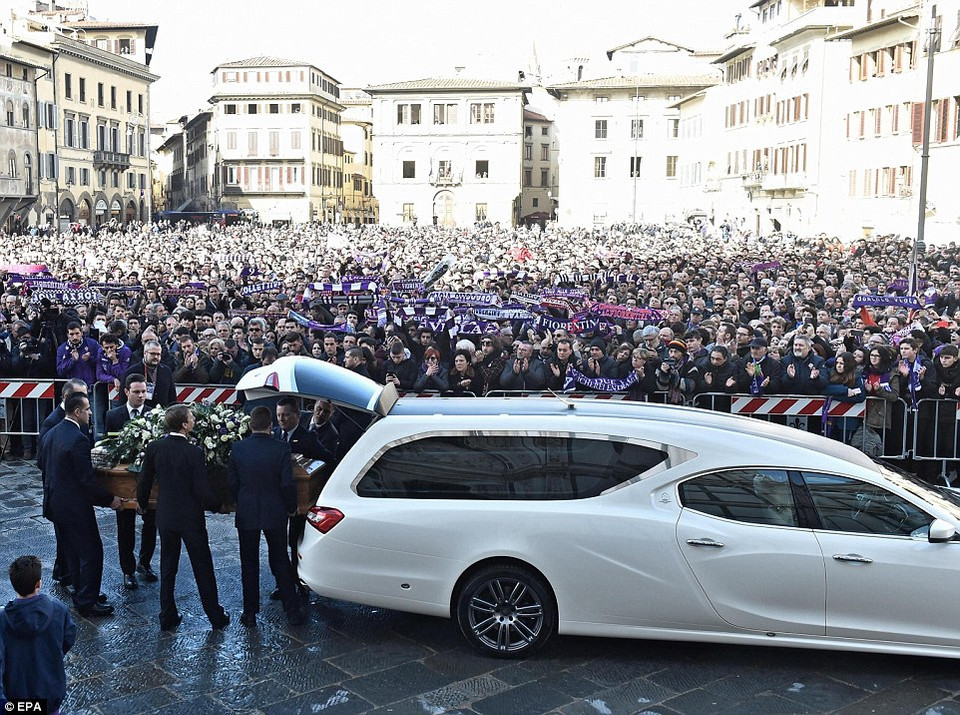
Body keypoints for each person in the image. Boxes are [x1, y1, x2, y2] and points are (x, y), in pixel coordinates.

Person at [137, 404, 230, 631]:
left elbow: (144, 480)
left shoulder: (155, 447)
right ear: (184, 425)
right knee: (202, 567)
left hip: (166, 516)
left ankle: (167, 616)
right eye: (191, 418)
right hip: (190, 519)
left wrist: (142, 504)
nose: (194, 421)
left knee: (168, 567)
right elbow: (201, 488)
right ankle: (215, 615)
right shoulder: (194, 452)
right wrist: (217, 505)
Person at [37, 393, 122, 617]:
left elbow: (42, 464)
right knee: (91, 552)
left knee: (72, 552)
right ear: (77, 412)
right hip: (74, 507)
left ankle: (84, 592)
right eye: (87, 409)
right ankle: (87, 600)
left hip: (56, 504)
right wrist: (109, 499)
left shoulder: (52, 432)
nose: (90, 412)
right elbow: (86, 480)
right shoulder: (78, 438)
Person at [228, 406, 306, 627]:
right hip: (275, 510)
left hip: (247, 510)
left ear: (250, 425)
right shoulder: (281, 448)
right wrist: (291, 507)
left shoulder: (238, 448)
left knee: (249, 562)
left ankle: (250, 613)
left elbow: (232, 482)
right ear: (270, 425)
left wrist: (241, 500)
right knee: (280, 558)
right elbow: (287, 483)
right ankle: (291, 610)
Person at [273, 396, 334, 598]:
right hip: (278, 500)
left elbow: (328, 459)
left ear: (297, 415)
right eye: (279, 415)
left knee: (295, 542)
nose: (281, 419)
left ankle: (299, 582)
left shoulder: (307, 438)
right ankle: (283, 582)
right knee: (278, 544)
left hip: (300, 500)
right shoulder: (273, 435)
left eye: (286, 415)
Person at [0, 556, 76, 713]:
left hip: (17, 697)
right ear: (39, 584)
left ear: (14, 586)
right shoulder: (58, 610)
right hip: (50, 692)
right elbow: (68, 637)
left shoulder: (3, 619)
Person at [104, 374, 158, 590]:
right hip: (124, 481)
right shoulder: (113, 415)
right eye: (137, 392)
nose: (141, 395)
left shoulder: (154, 414)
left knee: (151, 523)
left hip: (150, 480)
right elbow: (109, 445)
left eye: (144, 391)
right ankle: (128, 570)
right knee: (125, 527)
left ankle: (145, 563)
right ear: (126, 392)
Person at [124, 339, 176, 410]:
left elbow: (172, 396)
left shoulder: (166, 371)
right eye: (152, 354)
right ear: (145, 353)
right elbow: (123, 398)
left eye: (158, 354)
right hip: (139, 416)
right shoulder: (132, 371)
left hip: (162, 414)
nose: (156, 357)